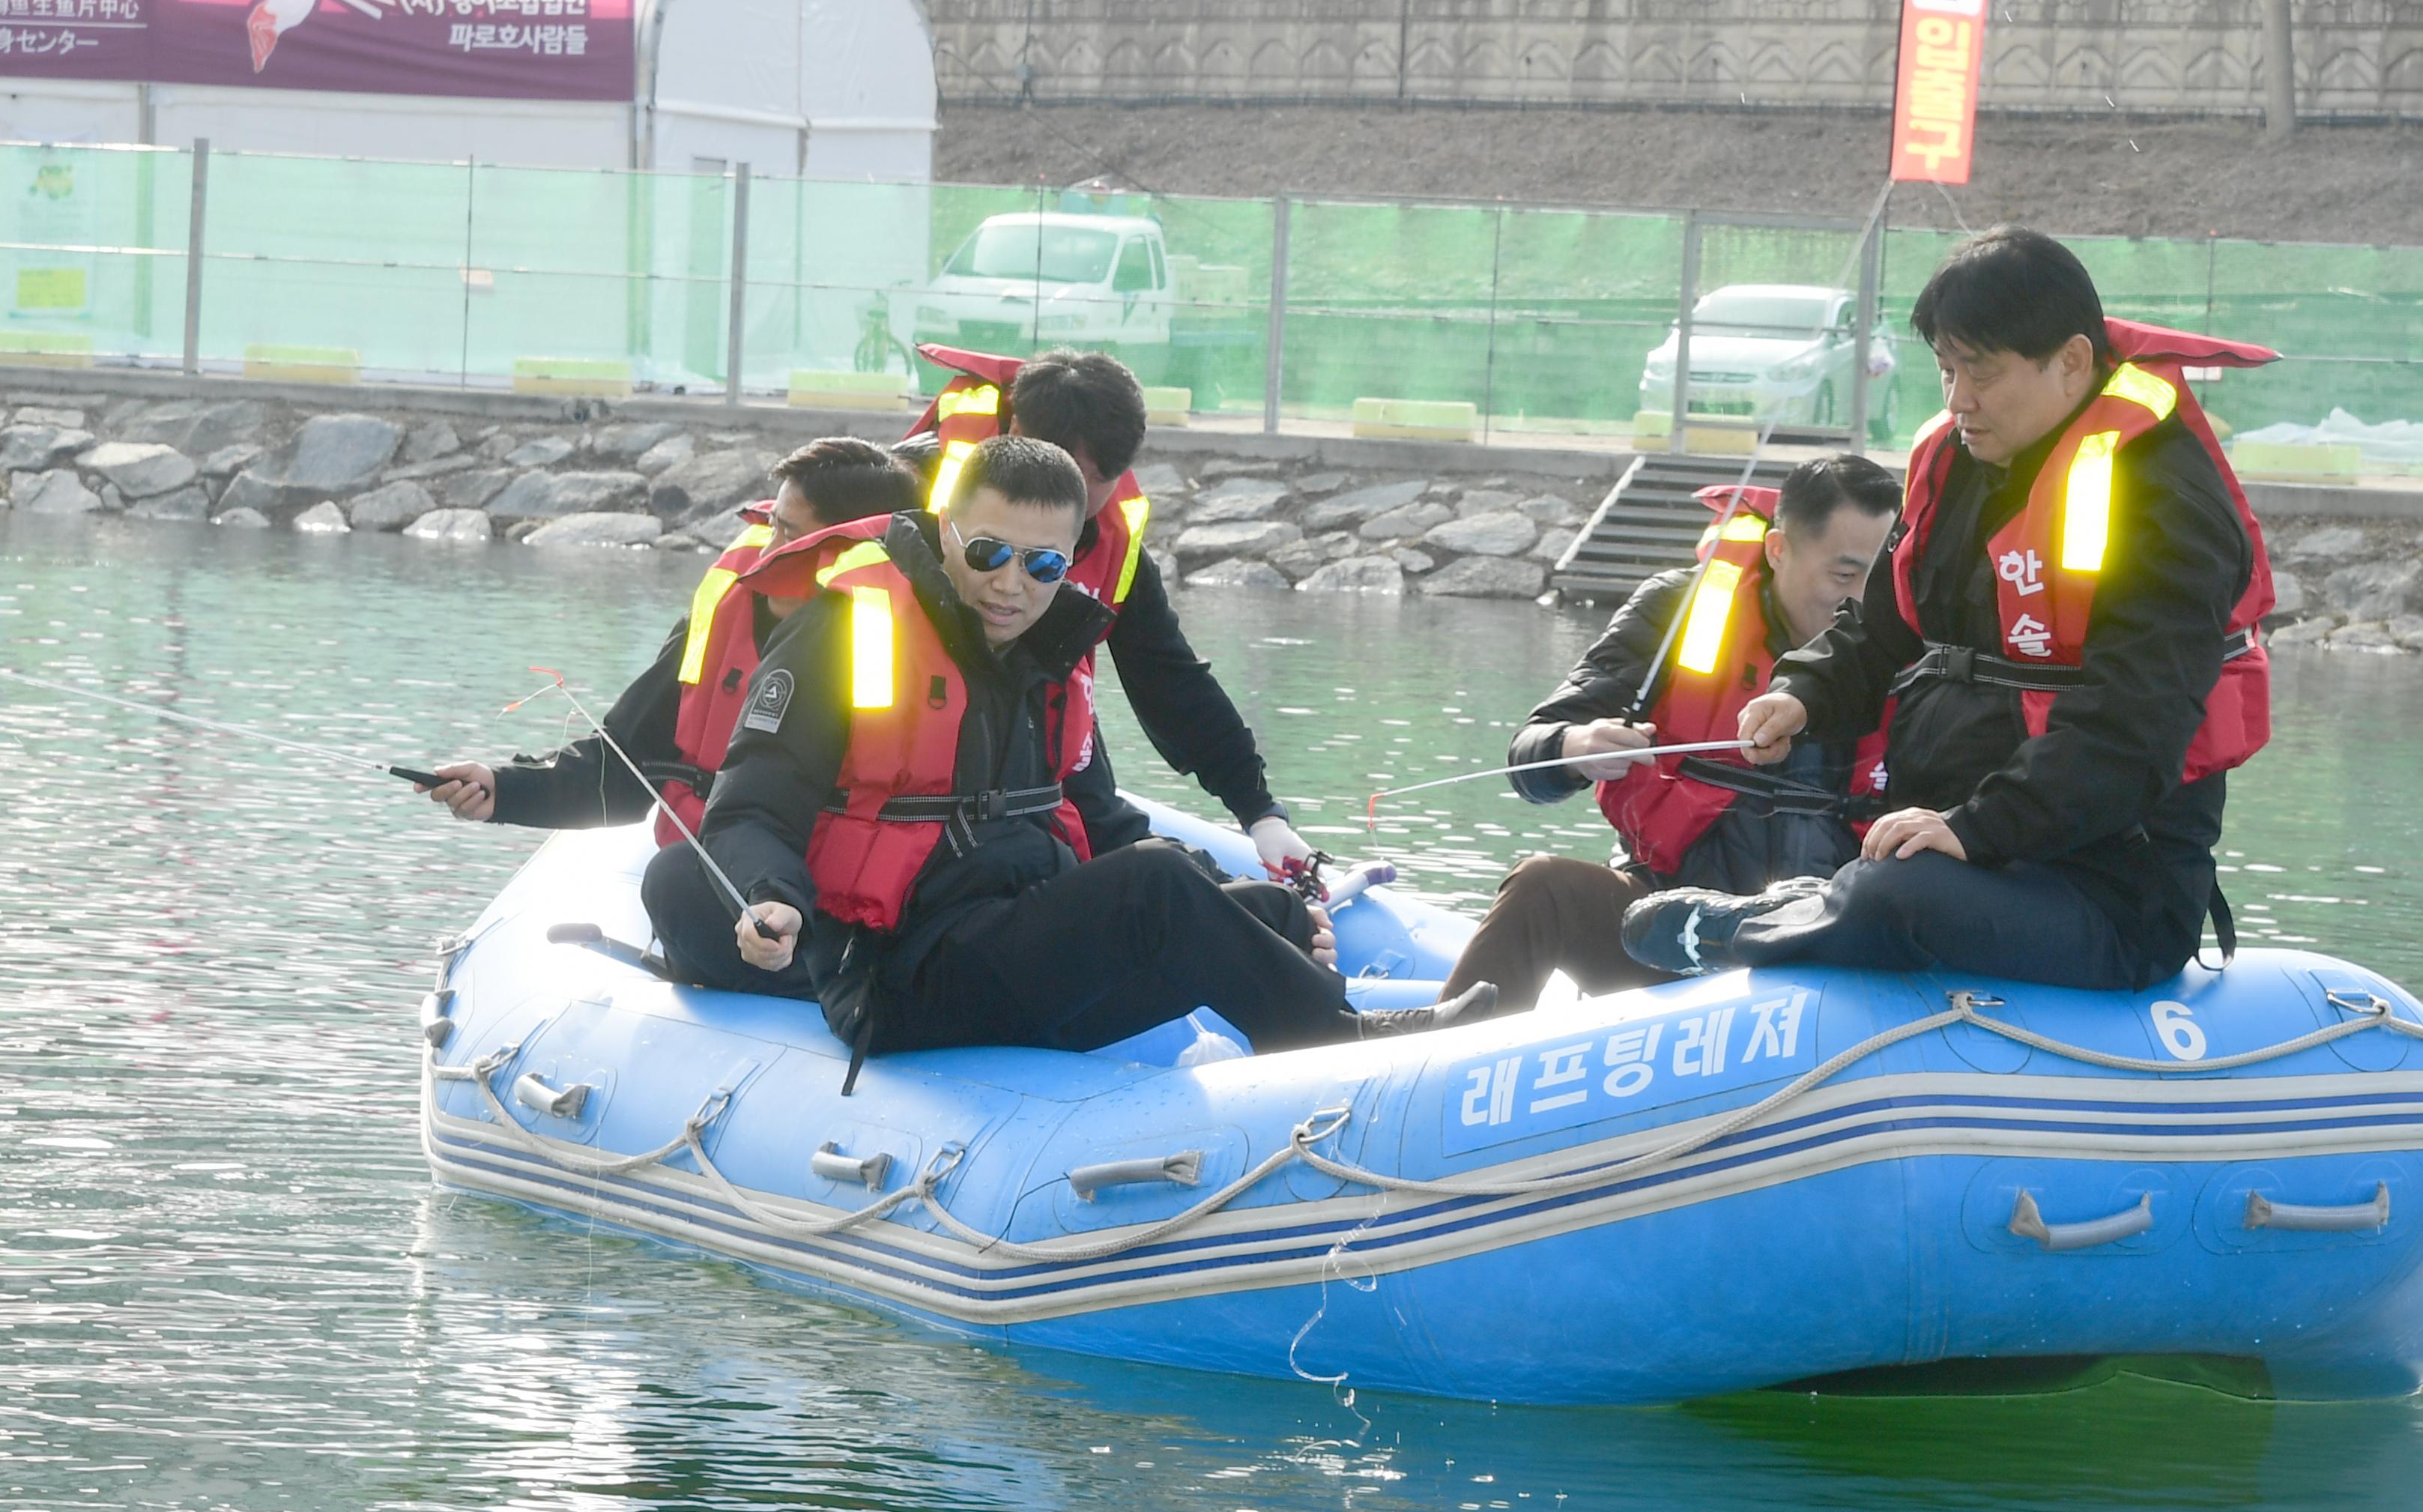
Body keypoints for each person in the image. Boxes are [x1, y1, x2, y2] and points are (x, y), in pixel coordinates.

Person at [649, 433, 1495, 1074]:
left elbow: (1090, 813)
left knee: (1254, 911)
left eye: (1043, 562)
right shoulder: (849, 628)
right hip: (897, 970)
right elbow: (754, 801)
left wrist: (1231, 873)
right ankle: (1334, 1043)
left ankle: (1329, 1021)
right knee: (1159, 883)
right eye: (988, 553)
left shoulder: (1048, 650)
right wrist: (773, 898)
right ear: (946, 529)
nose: (1011, 583)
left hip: (1003, 924)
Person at [1622, 226, 2276, 991]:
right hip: (1952, 843)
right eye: (1946, 370)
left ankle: (1744, 927)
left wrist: (1974, 828)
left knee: (1894, 895)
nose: (1960, 399)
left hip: (2104, 887)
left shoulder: (2170, 503)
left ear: (2071, 361)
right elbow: (1884, 624)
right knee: (1890, 876)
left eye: (1984, 374)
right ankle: (1820, 905)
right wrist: (1803, 690)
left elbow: (2132, 730)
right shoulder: (1961, 461)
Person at [1439, 454, 1900, 1011]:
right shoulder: (1676, 611)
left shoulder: (1908, 642)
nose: (1861, 602)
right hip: (1665, 929)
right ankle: (1430, 1070)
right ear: (1778, 551)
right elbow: (1527, 758)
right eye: (1844, 575)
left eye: (1879, 580)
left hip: (1830, 941)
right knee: (1543, 886)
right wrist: (1575, 747)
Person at [898, 345, 1313, 873]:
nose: (1086, 497)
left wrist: (1260, 812)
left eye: (1106, 477)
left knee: (1153, 863)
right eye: (990, 554)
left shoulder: (1113, 540)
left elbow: (1170, 678)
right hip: (914, 756)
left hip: (1041, 738)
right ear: (1019, 433)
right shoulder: (911, 491)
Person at [421, 436, 915, 840]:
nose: (767, 554)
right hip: (724, 893)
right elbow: (626, 766)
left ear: (858, 551)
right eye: (770, 529)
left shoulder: (930, 655)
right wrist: (501, 789)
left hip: (849, 916)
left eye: (791, 536)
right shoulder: (721, 622)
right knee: (674, 882)